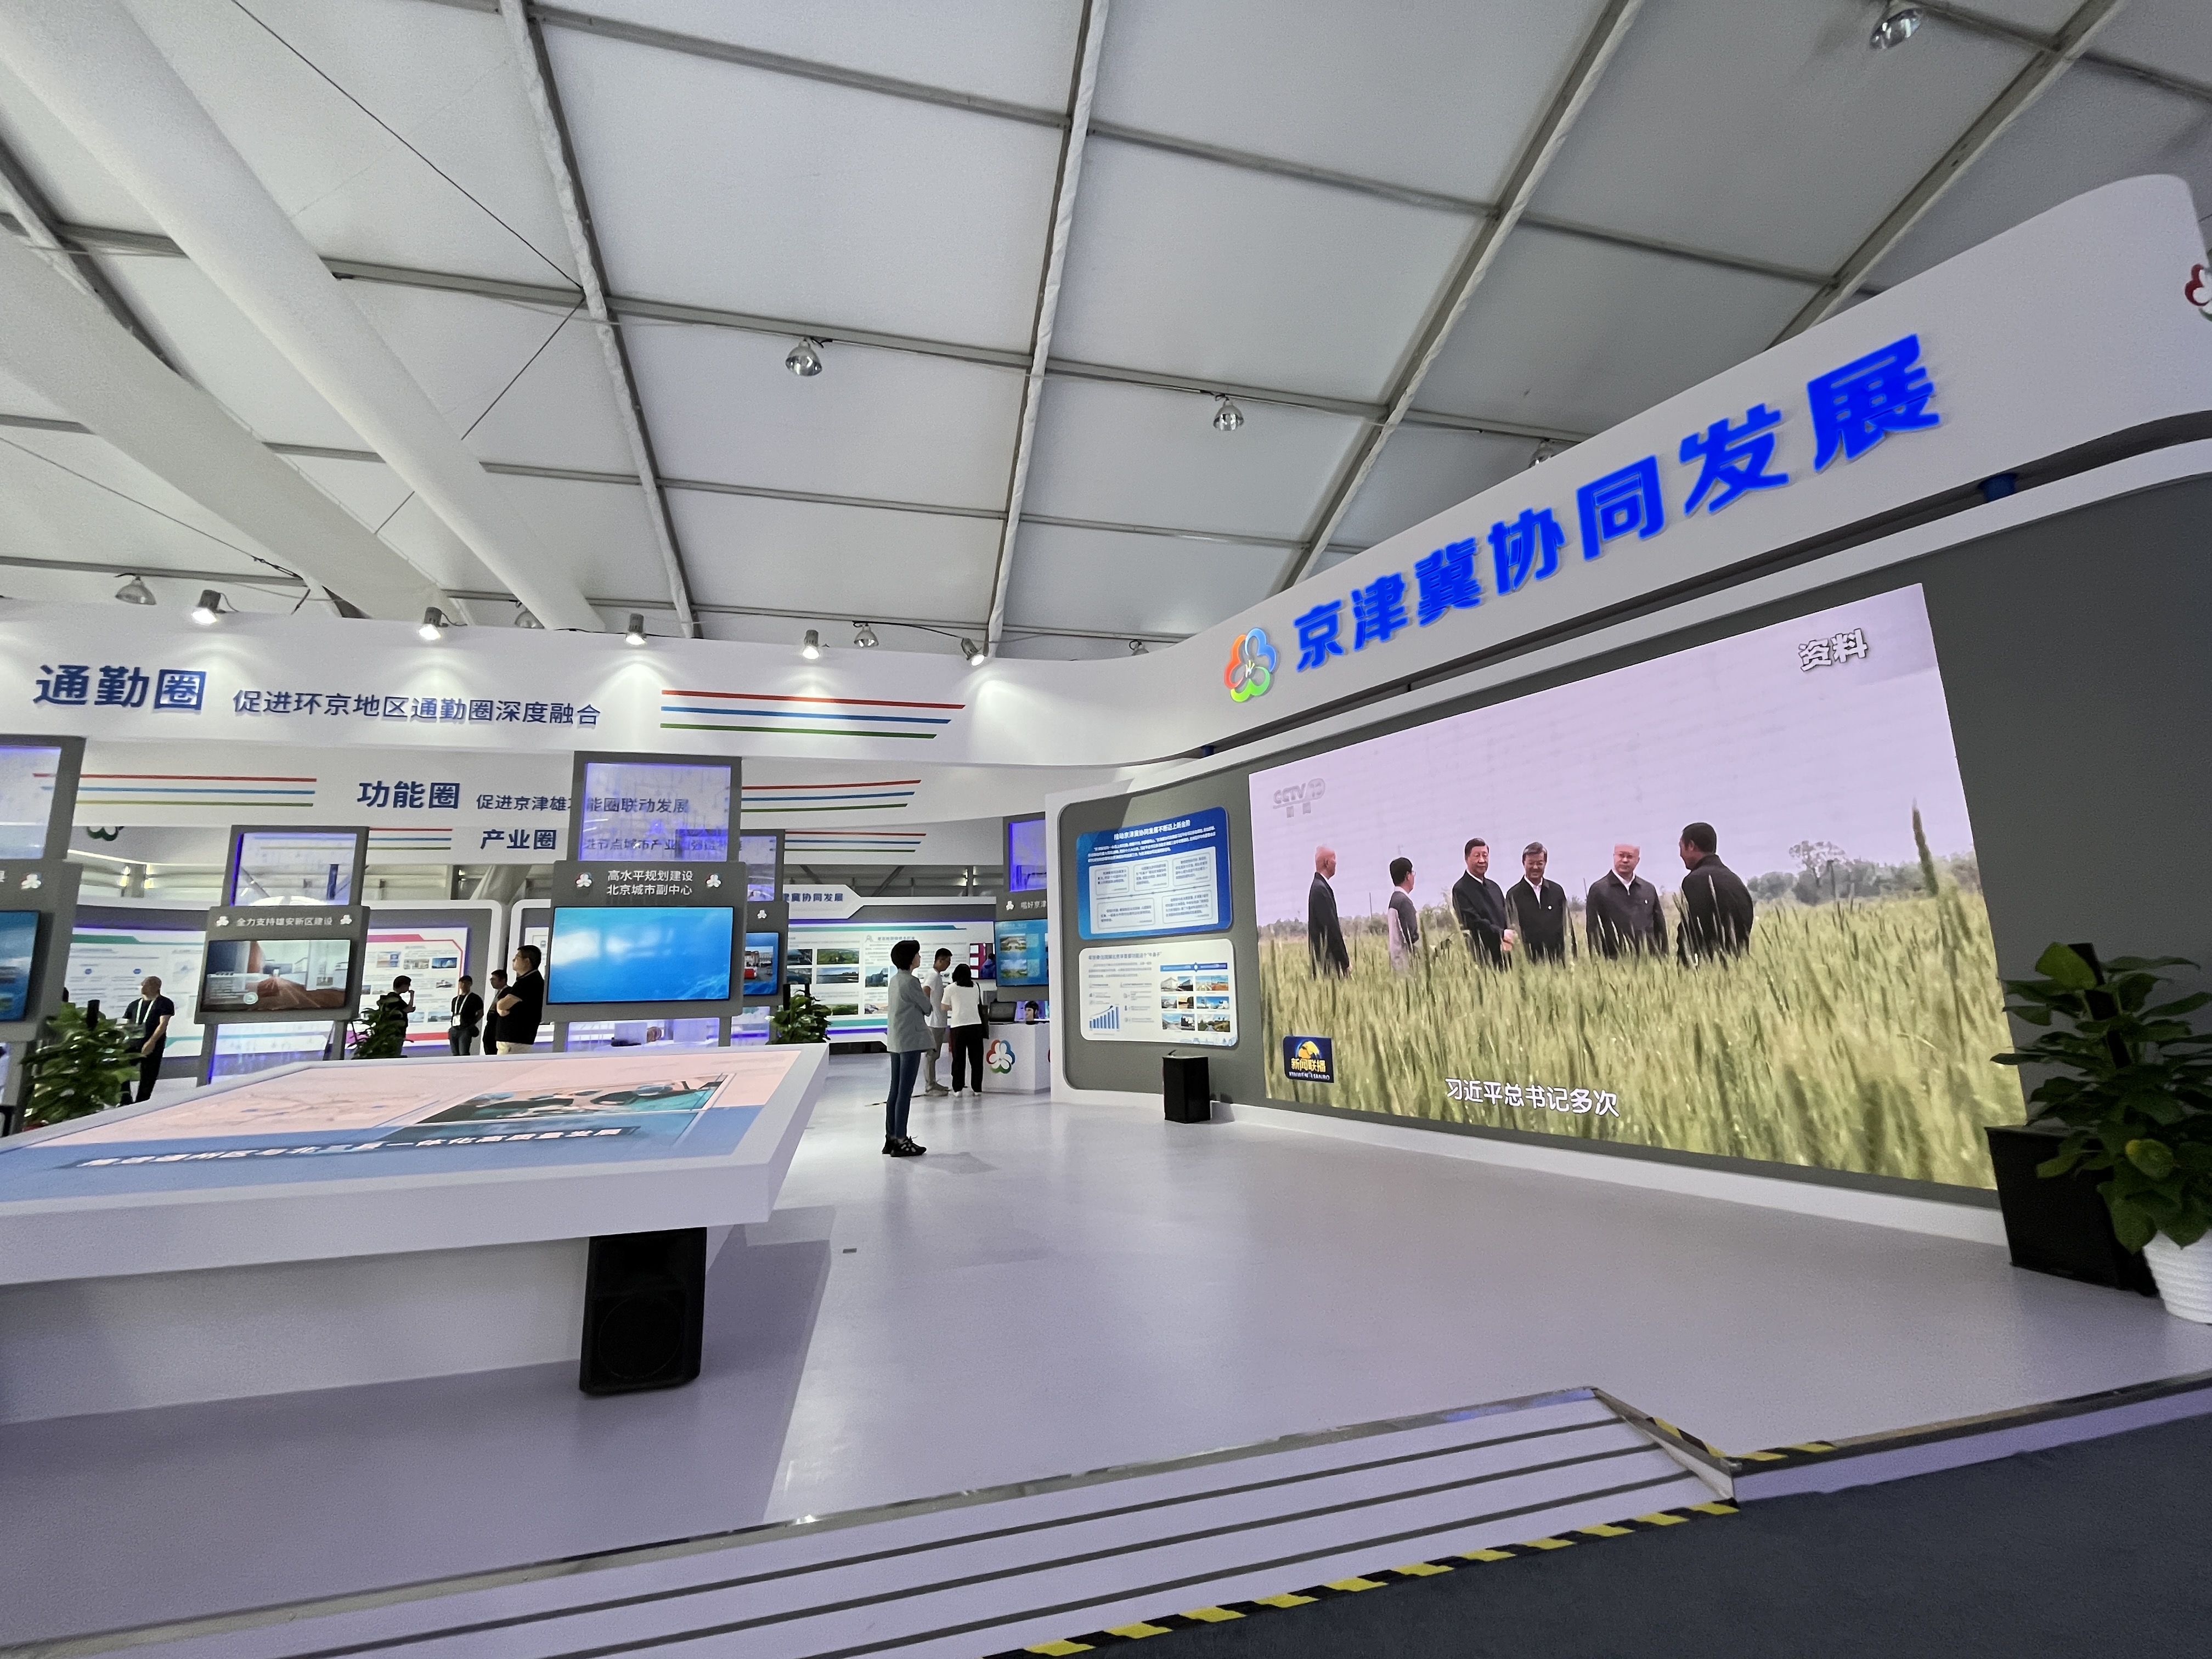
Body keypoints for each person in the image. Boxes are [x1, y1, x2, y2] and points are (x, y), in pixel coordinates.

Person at [1678, 821, 1756, 961]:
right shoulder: (1734, 879)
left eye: (1681, 847)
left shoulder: (1695, 881)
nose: (1680, 854)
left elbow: (1692, 931)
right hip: (1740, 962)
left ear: (1691, 846)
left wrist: (1684, 964)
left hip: (1711, 963)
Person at [883, 938, 930, 1156]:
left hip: (896, 1040)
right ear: (911, 959)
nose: (919, 957)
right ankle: (902, 1141)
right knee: (905, 1092)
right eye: (917, 954)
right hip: (910, 1041)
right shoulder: (911, 982)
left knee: (895, 1090)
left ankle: (891, 1138)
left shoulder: (895, 980)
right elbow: (927, 1008)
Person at [1586, 843, 1667, 958]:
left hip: (1649, 959)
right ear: (1614, 857)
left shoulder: (1648, 889)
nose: (1625, 860)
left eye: (1630, 857)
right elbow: (1593, 928)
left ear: (1638, 860)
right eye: (1621, 855)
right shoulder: (1599, 890)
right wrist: (1598, 960)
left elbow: (1660, 926)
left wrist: (1663, 955)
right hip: (1614, 960)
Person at [1506, 843, 1568, 964]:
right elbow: (1511, 932)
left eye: (1540, 863)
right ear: (1524, 863)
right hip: (1528, 964)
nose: (1535, 867)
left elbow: (1567, 928)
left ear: (1545, 863)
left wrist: (1572, 958)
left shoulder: (1557, 891)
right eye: (1531, 863)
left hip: (1558, 963)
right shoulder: (1513, 895)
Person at [121, 974, 173, 1104]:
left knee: (148, 1074)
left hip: (153, 1043)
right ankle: (125, 1099)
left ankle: (142, 1102)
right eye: (142, 984)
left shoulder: (164, 1003)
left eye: (147, 985)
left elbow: (163, 1024)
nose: (143, 987)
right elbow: (128, 1024)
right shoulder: (134, 1005)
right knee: (122, 1067)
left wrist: (152, 1042)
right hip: (133, 1043)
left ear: (157, 987)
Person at [944, 962, 986, 1094]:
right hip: (976, 1026)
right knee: (977, 1059)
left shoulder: (951, 988)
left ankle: (958, 1088)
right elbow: (977, 1003)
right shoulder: (976, 986)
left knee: (958, 1059)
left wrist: (955, 1006)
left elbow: (943, 1006)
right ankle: (977, 1088)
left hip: (958, 1026)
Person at [494, 945, 545, 1053]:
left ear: (527, 961)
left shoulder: (529, 981)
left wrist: (499, 1006)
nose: (514, 960)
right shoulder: (528, 979)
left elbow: (503, 1005)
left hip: (514, 1041)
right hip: (515, 1040)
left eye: (517, 957)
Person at [1307, 846, 1349, 977]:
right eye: (1334, 859)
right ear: (1327, 862)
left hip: (1325, 962)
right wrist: (1345, 962)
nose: (1336, 862)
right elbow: (1331, 929)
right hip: (1328, 963)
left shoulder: (1319, 887)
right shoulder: (1320, 890)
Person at [921, 947, 954, 1095]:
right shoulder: (933, 975)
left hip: (938, 1020)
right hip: (934, 1022)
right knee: (931, 1054)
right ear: (940, 960)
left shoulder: (936, 975)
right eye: (947, 961)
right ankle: (930, 1086)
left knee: (935, 1055)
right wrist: (927, 1008)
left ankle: (933, 1082)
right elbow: (926, 990)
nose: (948, 965)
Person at [1385, 856, 1421, 973]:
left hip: (1397, 963)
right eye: (1413, 873)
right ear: (1408, 876)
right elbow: (1412, 937)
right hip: (1407, 966)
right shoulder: (1404, 902)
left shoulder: (1394, 900)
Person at [448, 973, 484, 1055]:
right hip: (454, 1029)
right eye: (461, 983)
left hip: (465, 1029)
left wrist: (472, 1023)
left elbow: (481, 1013)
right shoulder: (455, 1000)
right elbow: (454, 1014)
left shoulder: (475, 998)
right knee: (455, 1053)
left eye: (465, 983)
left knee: (463, 1053)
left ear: (470, 984)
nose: (463, 985)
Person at [482, 967, 509, 1054]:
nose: (491, 981)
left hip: (497, 1027)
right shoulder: (499, 992)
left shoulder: (508, 992)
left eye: (494, 979)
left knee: (493, 1049)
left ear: (502, 980)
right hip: (491, 1026)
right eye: (491, 979)